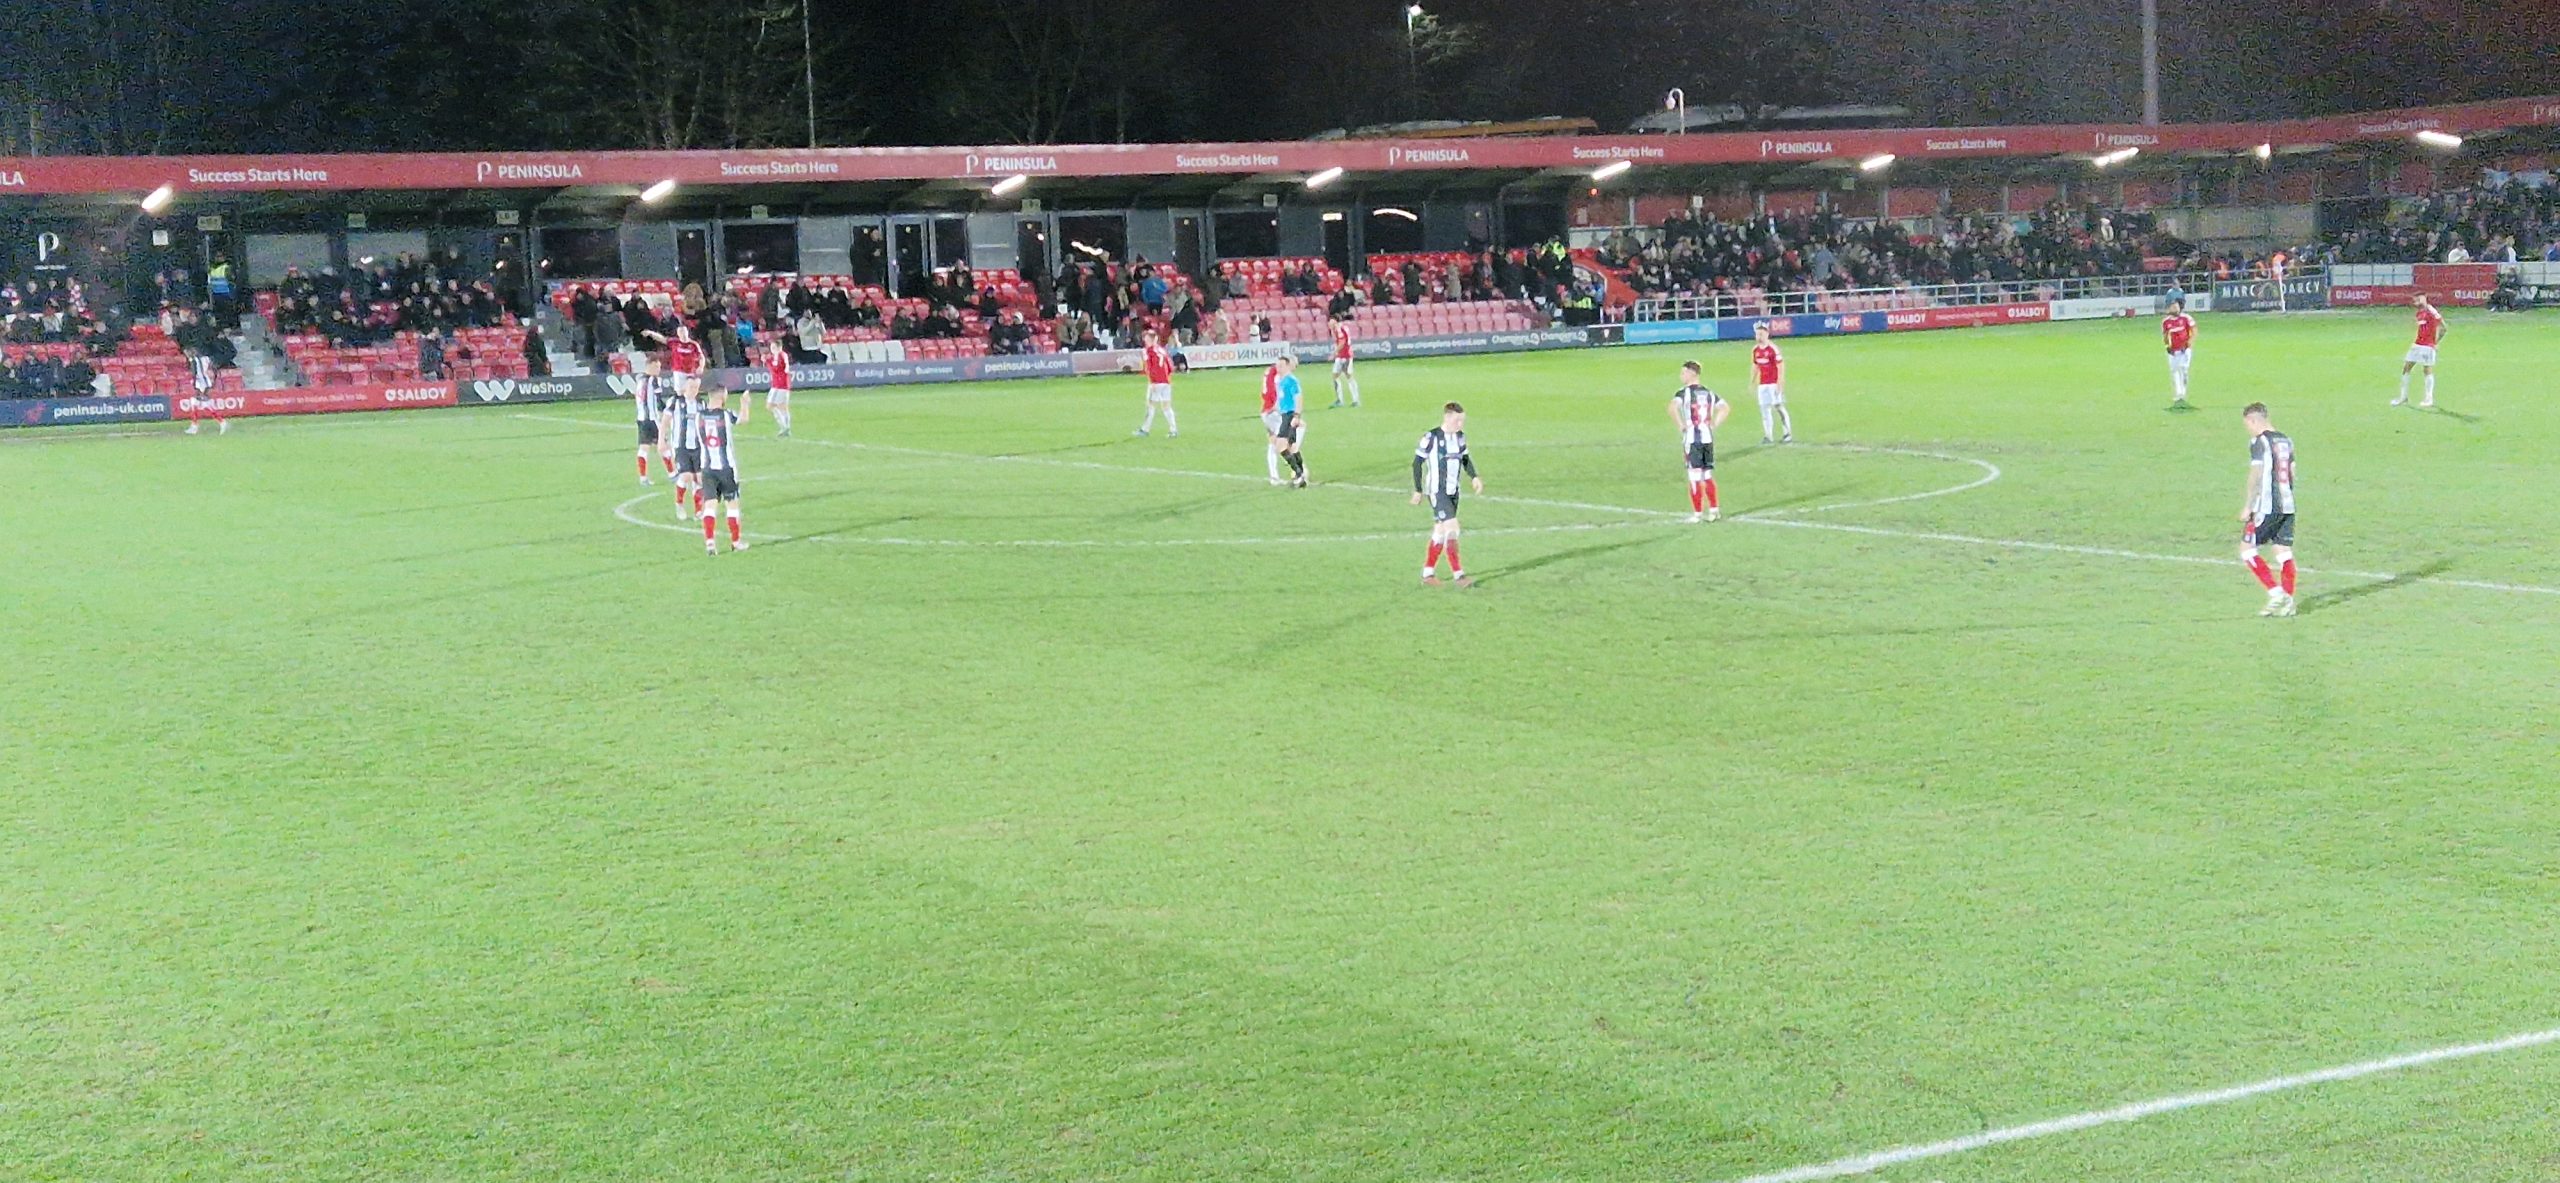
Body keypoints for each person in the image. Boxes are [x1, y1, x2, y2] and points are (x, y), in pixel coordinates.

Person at [1411, 402, 1482, 588]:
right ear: (1447, 417)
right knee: (1453, 528)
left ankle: (1428, 573)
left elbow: (1465, 459)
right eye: (1458, 420)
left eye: (1462, 421)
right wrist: (1418, 489)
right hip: (1437, 491)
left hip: (1453, 491)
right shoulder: (1431, 437)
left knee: (1440, 532)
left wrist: (1474, 477)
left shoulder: (1460, 438)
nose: (1461, 424)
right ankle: (1459, 576)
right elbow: (1416, 463)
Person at [2238, 402, 2298, 617]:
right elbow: (2292, 470)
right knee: (2283, 551)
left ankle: (2275, 593)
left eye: (2248, 425)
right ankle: (2288, 602)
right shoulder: (2286, 440)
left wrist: (2248, 505)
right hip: (2288, 503)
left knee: (2247, 549)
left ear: (2253, 420)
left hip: (2268, 504)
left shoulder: (2259, 441)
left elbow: (2256, 474)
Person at [1669, 360, 1728, 522]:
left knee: (1694, 476)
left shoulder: (1684, 393)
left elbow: (1672, 408)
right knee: (1707, 474)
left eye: (1683, 373)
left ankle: (1697, 514)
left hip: (1692, 439)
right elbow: (1725, 408)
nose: (1681, 376)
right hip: (1707, 438)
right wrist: (1714, 424)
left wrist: (1681, 426)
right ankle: (1714, 510)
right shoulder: (1709, 393)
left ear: (1692, 373)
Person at [696, 385, 753, 555]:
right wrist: (745, 403)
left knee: (710, 505)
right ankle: (735, 542)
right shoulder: (726, 415)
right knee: (732, 505)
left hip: (707, 468)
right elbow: (743, 419)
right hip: (726, 468)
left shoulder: (699, 416)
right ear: (721, 397)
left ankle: (710, 543)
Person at [661, 368, 703, 518]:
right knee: (686, 476)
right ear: (685, 387)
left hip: (698, 446)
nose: (694, 390)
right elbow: (665, 421)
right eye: (691, 387)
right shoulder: (675, 401)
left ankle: (699, 510)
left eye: (696, 388)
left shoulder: (701, 404)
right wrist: (662, 440)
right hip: (680, 446)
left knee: (699, 478)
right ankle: (679, 504)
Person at [1264, 354, 1308, 487]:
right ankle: (1300, 475)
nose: (1279, 368)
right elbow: (1281, 400)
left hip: (1289, 416)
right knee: (1292, 447)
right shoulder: (1282, 381)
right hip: (1284, 415)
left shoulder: (1291, 380)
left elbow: (1298, 398)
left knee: (1281, 446)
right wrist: (1272, 409)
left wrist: (1296, 416)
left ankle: (1299, 474)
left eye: (1281, 366)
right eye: (1277, 366)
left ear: (1288, 366)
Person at [2393, 293, 2445, 408]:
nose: (2416, 301)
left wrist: (2435, 343)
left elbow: (2443, 327)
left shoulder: (2431, 310)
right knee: (2406, 368)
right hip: (2417, 344)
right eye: (2415, 300)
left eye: (2418, 299)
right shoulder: (2419, 313)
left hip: (2428, 346)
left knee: (2427, 370)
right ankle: (2403, 397)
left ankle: (2429, 399)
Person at [1750, 322, 1792, 443]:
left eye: (1761, 334)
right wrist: (1752, 381)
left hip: (1773, 383)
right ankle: (1768, 435)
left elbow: (1780, 366)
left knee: (1778, 407)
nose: (1759, 337)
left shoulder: (1773, 349)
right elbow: (1755, 366)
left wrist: (1780, 382)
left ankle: (1787, 433)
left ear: (1767, 334)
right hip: (1763, 384)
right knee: (1764, 409)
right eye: (1757, 334)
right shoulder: (1756, 350)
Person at [1132, 329, 1178, 438]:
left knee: (1151, 405)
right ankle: (1173, 430)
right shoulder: (1162, 350)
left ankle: (1145, 430)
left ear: (1151, 339)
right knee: (1166, 406)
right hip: (1166, 381)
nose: (1145, 340)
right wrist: (1167, 378)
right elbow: (1170, 366)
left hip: (1156, 382)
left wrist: (1152, 381)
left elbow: (1149, 366)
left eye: (1146, 338)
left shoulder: (1148, 351)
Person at [632, 357, 670, 485]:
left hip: (641, 419)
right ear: (649, 366)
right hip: (653, 419)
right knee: (664, 446)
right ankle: (672, 474)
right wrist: (669, 411)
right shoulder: (654, 380)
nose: (659, 370)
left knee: (644, 448)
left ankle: (643, 478)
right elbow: (659, 402)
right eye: (657, 367)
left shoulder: (640, 380)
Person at [2161, 298, 2197, 407]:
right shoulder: (2166, 321)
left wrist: (2189, 342)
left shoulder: (2186, 318)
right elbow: (2165, 335)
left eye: (2176, 306)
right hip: (2173, 351)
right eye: (2173, 306)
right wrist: (2167, 346)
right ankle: (2178, 393)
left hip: (2185, 349)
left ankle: (2183, 392)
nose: (2175, 308)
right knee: (2174, 371)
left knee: (2184, 369)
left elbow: (2194, 330)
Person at [183, 348, 226, 435]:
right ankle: (195, 425)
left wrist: (194, 382)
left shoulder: (194, 360)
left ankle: (221, 422)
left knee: (199, 403)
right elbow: (214, 368)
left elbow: (194, 372)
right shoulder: (206, 358)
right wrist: (214, 379)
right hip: (207, 381)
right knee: (199, 402)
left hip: (200, 382)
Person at [1328, 313, 1361, 408]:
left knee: (1347, 376)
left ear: (1335, 320)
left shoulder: (1339, 329)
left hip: (1344, 356)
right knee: (1338, 376)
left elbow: (1342, 342)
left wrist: (1334, 353)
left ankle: (1351, 400)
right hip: (1343, 356)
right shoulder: (1343, 327)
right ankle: (1346, 400)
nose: (1329, 322)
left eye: (1330, 320)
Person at [762, 339, 794, 437]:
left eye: (774, 348)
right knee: (781, 407)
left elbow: (777, 368)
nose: (772, 350)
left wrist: (767, 361)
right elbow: (772, 367)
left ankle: (784, 427)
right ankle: (786, 428)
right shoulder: (776, 356)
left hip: (780, 385)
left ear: (779, 348)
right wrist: (766, 361)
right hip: (779, 384)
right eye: (771, 348)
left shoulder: (781, 355)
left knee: (772, 406)